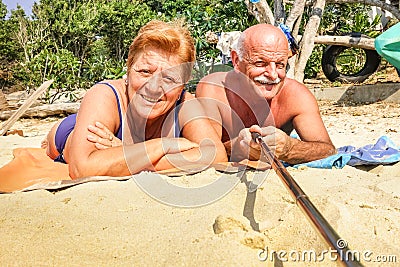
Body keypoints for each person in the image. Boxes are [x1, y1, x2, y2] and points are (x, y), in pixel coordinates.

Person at [42, 20, 227, 179]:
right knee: (68, 145)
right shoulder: (104, 94)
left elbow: (216, 156)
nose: (153, 87)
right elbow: (82, 168)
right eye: (145, 72)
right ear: (128, 71)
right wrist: (163, 145)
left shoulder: (186, 103)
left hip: (119, 133)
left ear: (182, 86)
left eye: (169, 79)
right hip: (69, 131)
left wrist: (128, 152)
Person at [195, 23, 336, 165]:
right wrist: (238, 147)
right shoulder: (214, 89)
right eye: (260, 63)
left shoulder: (296, 96)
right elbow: (208, 151)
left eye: (280, 64)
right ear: (237, 61)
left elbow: (328, 150)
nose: (273, 74)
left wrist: (290, 148)